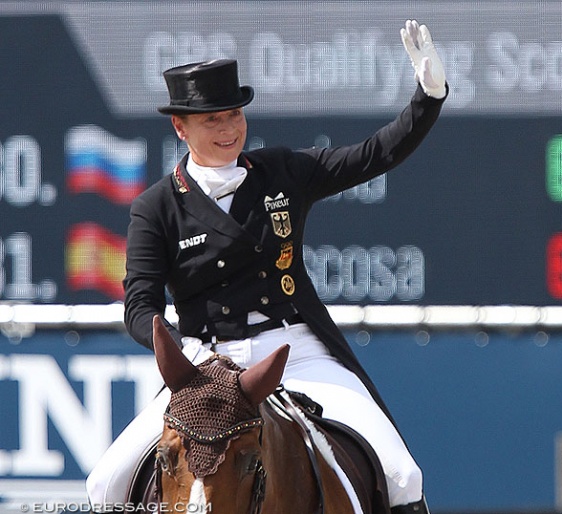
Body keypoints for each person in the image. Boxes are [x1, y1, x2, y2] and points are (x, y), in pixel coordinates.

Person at [87, 19, 447, 514]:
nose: (229, 128)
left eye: (234, 114)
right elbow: (139, 305)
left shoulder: (279, 172)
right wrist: (184, 348)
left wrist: (428, 97)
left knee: (402, 474)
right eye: (212, 119)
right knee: (104, 484)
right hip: (205, 367)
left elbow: (374, 155)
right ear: (180, 126)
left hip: (295, 352)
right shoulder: (156, 207)